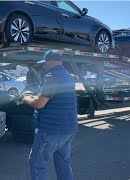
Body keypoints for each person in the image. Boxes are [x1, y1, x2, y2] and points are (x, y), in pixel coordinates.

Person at [22, 50, 78, 180]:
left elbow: (39, 104)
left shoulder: (52, 77)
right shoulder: (67, 76)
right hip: (68, 129)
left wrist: (26, 99)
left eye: (45, 63)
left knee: (37, 164)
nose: (43, 66)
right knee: (63, 164)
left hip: (50, 130)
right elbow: (53, 98)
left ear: (51, 61)